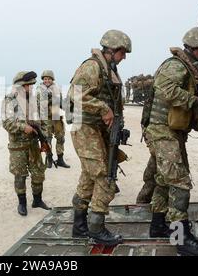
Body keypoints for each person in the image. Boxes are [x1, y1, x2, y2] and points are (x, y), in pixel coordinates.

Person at [145, 27, 198, 256]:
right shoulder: (176, 65)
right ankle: (181, 239)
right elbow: (166, 90)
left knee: (164, 180)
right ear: (197, 48)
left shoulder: (187, 66)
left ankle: (157, 226)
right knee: (180, 182)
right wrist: (194, 102)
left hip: (170, 132)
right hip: (161, 130)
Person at [67, 30, 131, 245]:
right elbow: (74, 95)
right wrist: (103, 108)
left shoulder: (107, 70)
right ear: (112, 50)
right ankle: (96, 229)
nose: (124, 57)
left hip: (95, 130)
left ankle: (79, 226)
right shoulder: (92, 66)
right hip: (85, 128)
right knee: (104, 177)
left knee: (89, 176)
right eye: (122, 53)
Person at [2, 71, 51, 216]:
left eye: (31, 85)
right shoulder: (10, 100)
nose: (30, 88)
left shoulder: (34, 100)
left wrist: (45, 137)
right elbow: (7, 123)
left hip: (33, 144)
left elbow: (42, 121)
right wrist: (24, 127)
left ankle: (37, 200)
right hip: (18, 145)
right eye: (28, 85)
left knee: (38, 173)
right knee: (20, 175)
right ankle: (22, 203)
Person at [36, 70, 70, 168]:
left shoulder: (57, 89)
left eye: (49, 79)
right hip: (45, 118)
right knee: (47, 139)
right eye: (45, 79)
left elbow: (61, 104)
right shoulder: (39, 89)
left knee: (61, 138)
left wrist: (68, 105)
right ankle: (49, 159)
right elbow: (40, 105)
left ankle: (60, 159)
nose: (47, 81)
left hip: (56, 117)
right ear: (43, 80)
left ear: (52, 79)